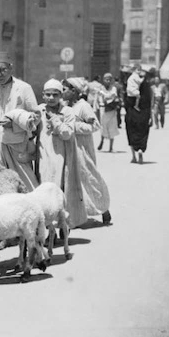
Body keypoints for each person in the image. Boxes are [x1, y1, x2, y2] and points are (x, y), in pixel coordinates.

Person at [0, 51, 41, 192]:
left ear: (11, 68)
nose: (0, 74)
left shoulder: (24, 89)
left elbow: (36, 117)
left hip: (17, 144)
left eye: (3, 70)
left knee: (25, 184)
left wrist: (15, 124)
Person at [37, 79, 87, 229]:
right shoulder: (39, 110)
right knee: (44, 193)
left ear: (60, 96)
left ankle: (63, 227)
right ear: (43, 95)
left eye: (55, 94)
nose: (51, 98)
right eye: (48, 94)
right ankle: (47, 228)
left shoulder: (68, 112)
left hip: (62, 159)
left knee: (61, 193)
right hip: (44, 158)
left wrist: (55, 120)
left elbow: (67, 133)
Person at [62, 77, 112, 226]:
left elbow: (95, 126)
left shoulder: (83, 106)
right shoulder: (65, 106)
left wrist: (75, 126)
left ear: (74, 91)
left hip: (82, 150)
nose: (62, 92)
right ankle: (76, 216)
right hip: (69, 148)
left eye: (65, 90)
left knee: (89, 179)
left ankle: (104, 209)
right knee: (71, 182)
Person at [96, 73, 121, 152]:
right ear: (104, 80)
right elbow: (100, 99)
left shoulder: (113, 88)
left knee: (112, 127)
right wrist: (107, 97)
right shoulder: (101, 88)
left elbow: (113, 96)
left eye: (109, 79)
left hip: (112, 110)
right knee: (103, 127)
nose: (108, 81)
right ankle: (102, 141)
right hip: (103, 110)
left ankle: (111, 147)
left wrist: (106, 97)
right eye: (106, 79)